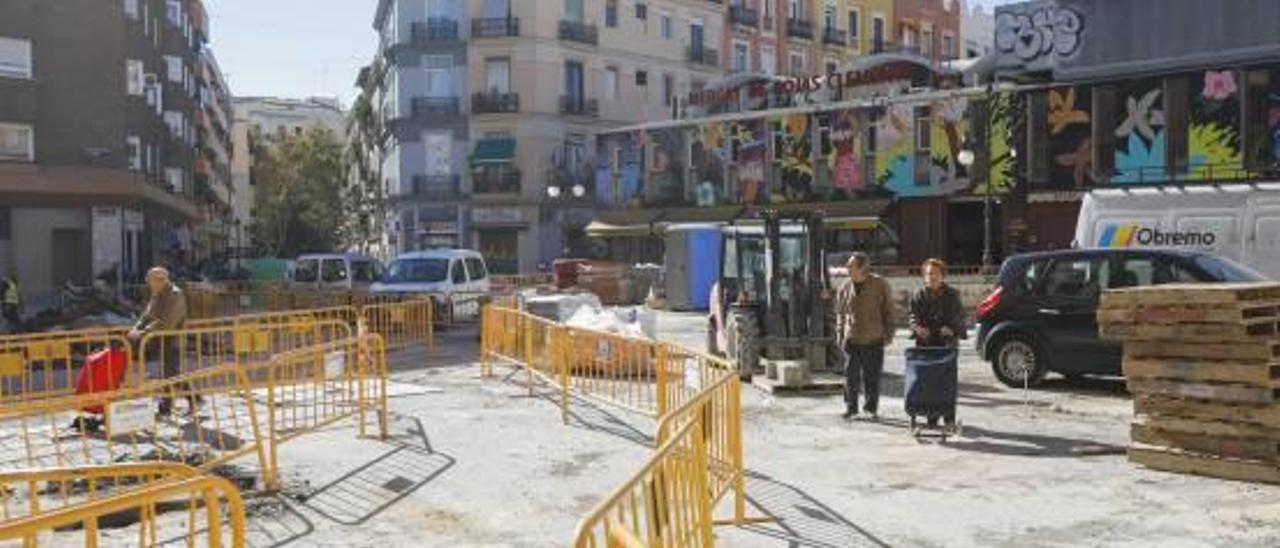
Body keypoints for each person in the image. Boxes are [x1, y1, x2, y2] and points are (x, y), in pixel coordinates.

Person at [834, 253, 895, 420]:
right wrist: (840, 335)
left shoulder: (880, 284)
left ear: (862, 267)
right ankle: (850, 407)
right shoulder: (845, 287)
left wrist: (889, 334)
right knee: (850, 376)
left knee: (872, 377)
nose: (847, 268)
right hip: (852, 339)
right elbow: (840, 312)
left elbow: (889, 310)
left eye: (850, 265)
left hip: (874, 338)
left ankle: (870, 408)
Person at [908, 258, 967, 427]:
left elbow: (959, 317)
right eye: (927, 274)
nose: (931, 277)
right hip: (926, 343)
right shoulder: (918, 294)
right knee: (927, 381)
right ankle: (931, 417)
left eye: (934, 273)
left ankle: (949, 419)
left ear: (942, 276)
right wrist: (917, 327)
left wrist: (952, 328)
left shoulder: (952, 294)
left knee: (947, 382)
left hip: (947, 344)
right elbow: (913, 316)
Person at [128, 267, 193, 416]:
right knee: (170, 373)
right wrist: (136, 328)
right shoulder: (157, 293)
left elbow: (168, 322)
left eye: (150, 281)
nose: (148, 285)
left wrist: (143, 332)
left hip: (173, 339)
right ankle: (170, 404)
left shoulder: (176, 295)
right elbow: (147, 314)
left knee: (172, 373)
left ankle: (187, 400)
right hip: (160, 338)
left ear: (160, 280)